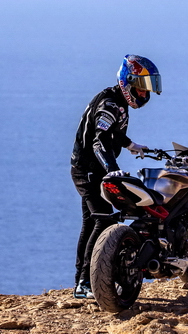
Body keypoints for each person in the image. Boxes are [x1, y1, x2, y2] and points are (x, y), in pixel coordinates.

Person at [70, 54, 161, 299]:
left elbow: (114, 133)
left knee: (92, 222)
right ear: (127, 82)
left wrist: (131, 145)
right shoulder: (110, 105)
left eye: (147, 89)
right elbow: (99, 141)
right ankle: (86, 282)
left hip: (93, 168)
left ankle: (82, 281)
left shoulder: (118, 102)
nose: (144, 94)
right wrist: (112, 169)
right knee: (103, 221)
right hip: (88, 170)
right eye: (141, 88)